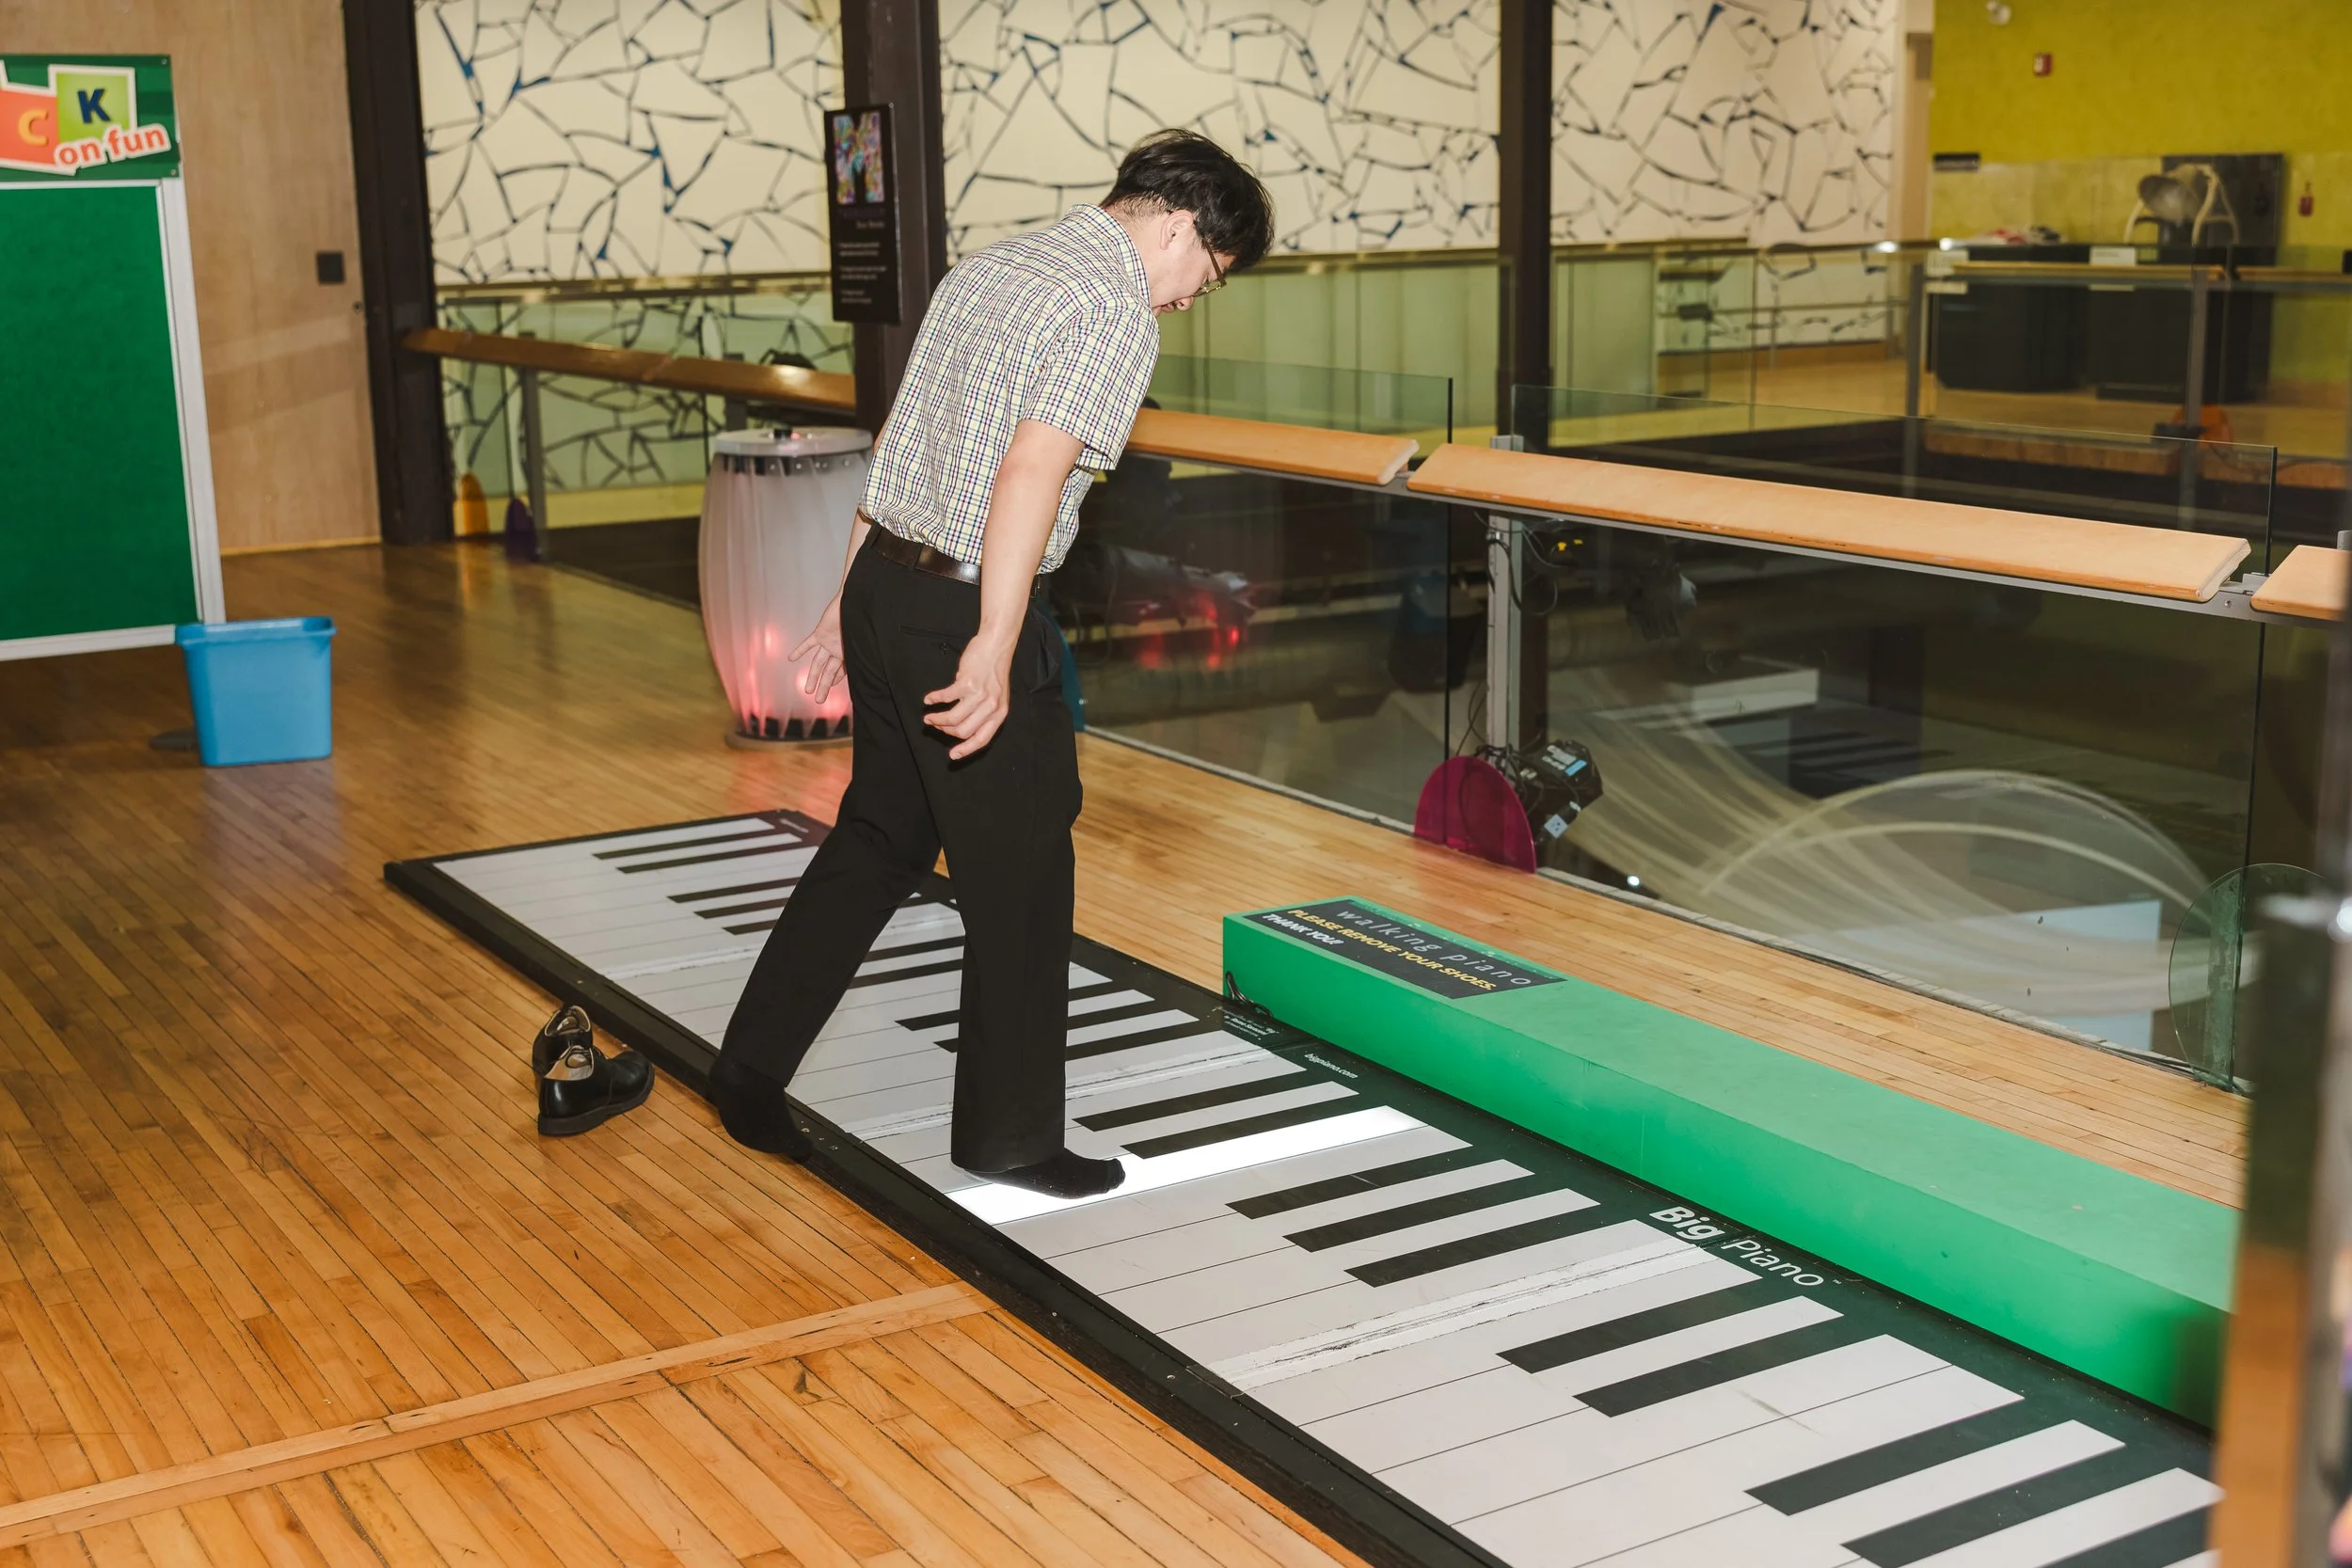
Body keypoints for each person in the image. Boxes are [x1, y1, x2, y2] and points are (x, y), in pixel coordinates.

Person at [708, 131, 1274, 1198]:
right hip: (963, 603)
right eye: (1208, 274)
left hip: (886, 582)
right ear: (1178, 225)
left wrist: (842, 603)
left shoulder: (991, 268)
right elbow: (1027, 475)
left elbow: (900, 442)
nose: (1193, 299)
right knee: (1019, 877)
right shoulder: (1109, 310)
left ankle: (748, 1065)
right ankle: (1010, 1139)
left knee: (879, 835)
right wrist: (995, 642)